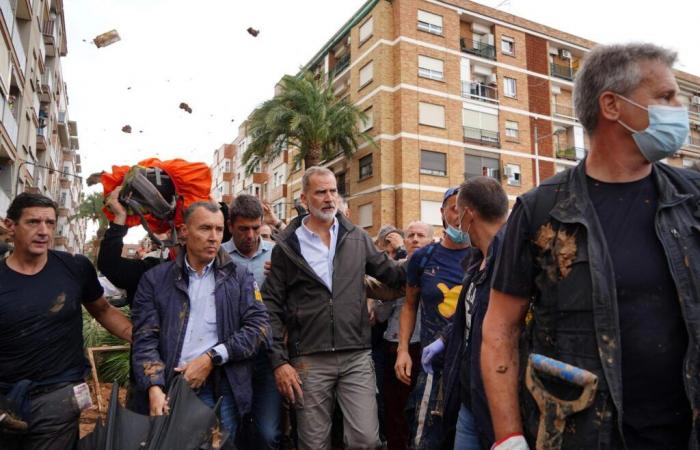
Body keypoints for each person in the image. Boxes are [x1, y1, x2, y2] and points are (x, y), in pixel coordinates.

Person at [482, 43, 700, 449]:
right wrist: (508, 437)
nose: (679, 109)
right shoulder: (541, 210)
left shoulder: (693, 199)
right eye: (666, 97)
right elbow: (499, 328)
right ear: (612, 106)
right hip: (582, 434)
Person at [262, 166, 405, 450]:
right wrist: (279, 362)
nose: (329, 199)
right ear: (304, 199)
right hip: (309, 359)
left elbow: (393, 274)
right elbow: (270, 307)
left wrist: (427, 259)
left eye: (333, 192)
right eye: (320, 192)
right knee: (314, 444)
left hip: (356, 355)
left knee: (365, 440)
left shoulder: (357, 237)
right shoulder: (287, 248)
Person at [0, 193, 132, 450]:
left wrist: (138, 335)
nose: (43, 231)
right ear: (10, 225)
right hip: (5, 394)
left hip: (59, 394)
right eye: (33, 222)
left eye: (50, 223)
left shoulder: (75, 268)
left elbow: (103, 310)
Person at [131, 201, 270, 438]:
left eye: (218, 230)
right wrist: (154, 386)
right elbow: (144, 338)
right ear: (184, 232)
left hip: (221, 386)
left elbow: (259, 327)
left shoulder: (240, 277)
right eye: (205, 228)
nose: (214, 237)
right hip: (170, 385)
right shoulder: (155, 280)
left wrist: (212, 358)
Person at [421, 177, 509, 449]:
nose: (456, 223)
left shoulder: (510, 260)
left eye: (458, 213)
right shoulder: (475, 261)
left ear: (468, 214)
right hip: (469, 396)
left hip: (500, 402)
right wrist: (446, 339)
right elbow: (471, 316)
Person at [395, 187, 471, 449]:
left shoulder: (485, 257)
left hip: (471, 368)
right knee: (425, 440)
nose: (459, 214)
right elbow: (409, 305)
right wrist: (402, 350)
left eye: (465, 207)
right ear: (442, 213)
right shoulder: (423, 258)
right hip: (432, 368)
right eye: (453, 207)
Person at [221, 194, 281, 449]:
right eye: (243, 229)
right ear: (230, 225)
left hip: (268, 356)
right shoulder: (218, 256)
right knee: (229, 432)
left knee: (268, 434)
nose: (251, 235)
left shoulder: (277, 255)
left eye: (256, 228)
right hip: (230, 357)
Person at [381, 221, 433, 450]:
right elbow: (380, 315)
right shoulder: (393, 270)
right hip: (395, 345)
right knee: (395, 408)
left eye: (420, 235)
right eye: (410, 235)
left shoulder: (436, 270)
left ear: (431, 241)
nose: (414, 239)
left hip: (427, 346)